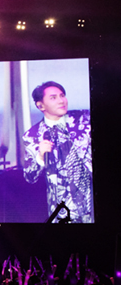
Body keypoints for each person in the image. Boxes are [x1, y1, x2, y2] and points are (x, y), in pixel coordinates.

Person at [22, 81, 93, 223]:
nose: (61, 101)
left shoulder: (85, 119)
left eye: (62, 95)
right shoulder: (31, 136)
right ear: (40, 106)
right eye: (53, 98)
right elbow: (30, 177)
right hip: (60, 209)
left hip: (92, 203)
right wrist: (40, 156)